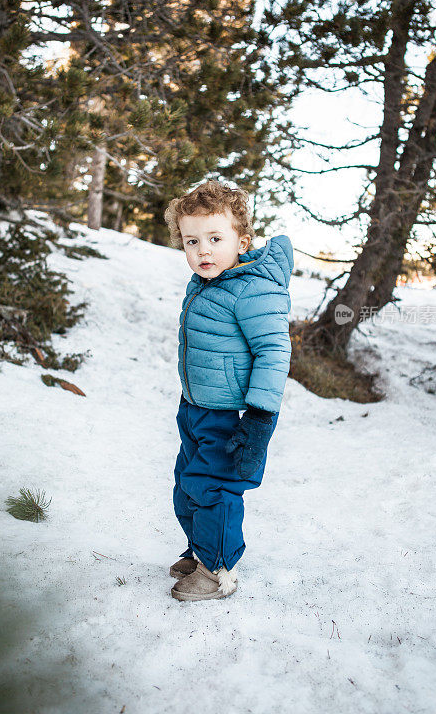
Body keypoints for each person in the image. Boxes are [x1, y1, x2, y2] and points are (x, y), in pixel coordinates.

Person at [163, 180, 293, 601]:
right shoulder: (206, 283)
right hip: (197, 408)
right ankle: (201, 551)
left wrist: (259, 419)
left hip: (234, 416)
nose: (203, 250)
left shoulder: (253, 289)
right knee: (187, 484)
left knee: (215, 488)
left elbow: (273, 353)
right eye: (192, 241)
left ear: (243, 239)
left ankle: (218, 570)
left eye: (216, 239)